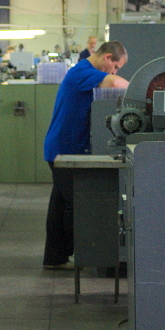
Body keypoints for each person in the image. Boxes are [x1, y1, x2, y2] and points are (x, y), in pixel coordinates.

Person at [41, 40, 129, 269]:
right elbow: (114, 82)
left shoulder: (83, 71)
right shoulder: (82, 71)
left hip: (63, 147)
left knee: (60, 205)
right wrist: (145, 93)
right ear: (107, 57)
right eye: (116, 66)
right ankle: (81, 256)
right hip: (64, 148)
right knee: (76, 205)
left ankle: (55, 258)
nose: (114, 71)